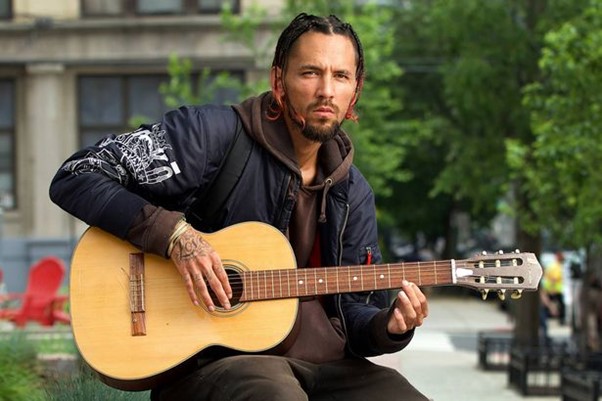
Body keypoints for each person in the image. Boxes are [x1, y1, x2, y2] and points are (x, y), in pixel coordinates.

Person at [49, 13, 430, 401]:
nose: (326, 91)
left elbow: (352, 314)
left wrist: (390, 326)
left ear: (356, 90)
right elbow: (78, 174)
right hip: (214, 364)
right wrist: (175, 237)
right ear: (278, 81)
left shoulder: (353, 192)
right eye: (311, 73)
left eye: (341, 76)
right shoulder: (210, 137)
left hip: (324, 366)